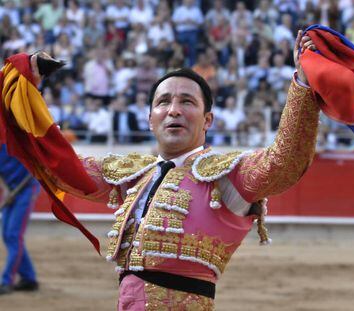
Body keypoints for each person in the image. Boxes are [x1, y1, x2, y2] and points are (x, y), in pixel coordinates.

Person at [7, 31, 318, 309]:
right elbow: (65, 170)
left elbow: (284, 162)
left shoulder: (227, 177)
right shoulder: (134, 174)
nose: (174, 110)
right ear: (150, 119)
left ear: (207, 120)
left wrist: (302, 85)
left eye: (187, 101)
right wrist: (25, 92)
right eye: (164, 102)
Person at [0, 145, 39, 295]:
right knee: (7, 235)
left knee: (14, 235)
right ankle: (29, 279)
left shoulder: (18, 137)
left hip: (27, 189)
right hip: (11, 189)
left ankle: (6, 281)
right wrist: (7, 190)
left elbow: (37, 163)